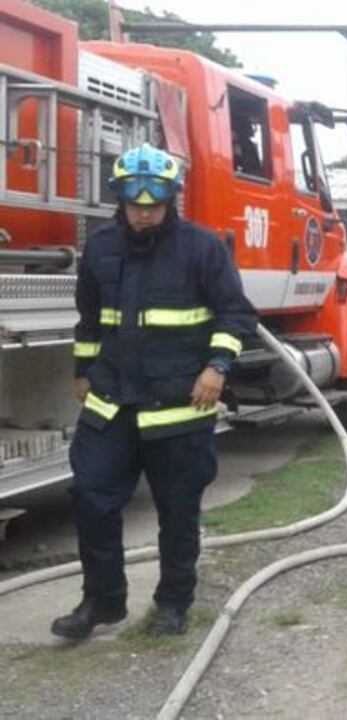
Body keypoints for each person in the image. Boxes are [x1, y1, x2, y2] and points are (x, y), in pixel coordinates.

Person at [54, 144, 256, 639]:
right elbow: (89, 319)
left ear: (171, 200)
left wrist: (217, 366)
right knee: (92, 498)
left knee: (177, 511)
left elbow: (236, 315)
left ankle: (173, 604)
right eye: (136, 204)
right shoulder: (100, 248)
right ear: (119, 200)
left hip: (179, 408)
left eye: (155, 205)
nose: (145, 214)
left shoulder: (202, 248)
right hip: (112, 402)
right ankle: (102, 603)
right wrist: (83, 368)